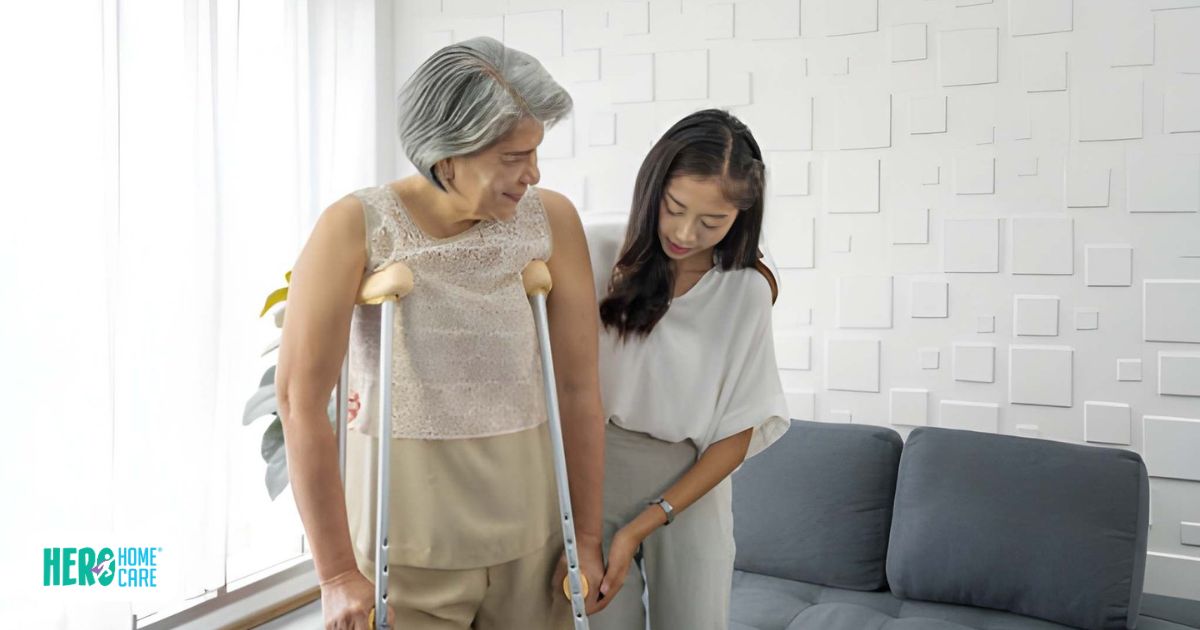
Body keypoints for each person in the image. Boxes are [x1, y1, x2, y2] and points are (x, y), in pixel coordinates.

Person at [274, 36, 607, 629]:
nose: (532, 173)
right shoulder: (356, 225)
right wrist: (335, 575)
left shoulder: (550, 220)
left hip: (531, 528)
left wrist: (584, 534)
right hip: (403, 539)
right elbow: (300, 402)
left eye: (535, 153)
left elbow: (579, 388)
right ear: (447, 153)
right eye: (512, 156)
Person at [588, 109, 790, 629]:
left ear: (740, 217)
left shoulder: (744, 291)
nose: (684, 232)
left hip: (690, 488)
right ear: (652, 187)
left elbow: (739, 431)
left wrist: (647, 522)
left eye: (711, 222)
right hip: (596, 471)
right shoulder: (593, 250)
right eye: (674, 208)